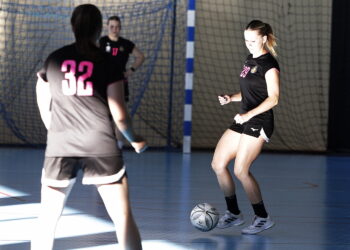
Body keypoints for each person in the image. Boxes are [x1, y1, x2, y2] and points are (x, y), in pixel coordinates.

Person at [32, 4, 146, 250]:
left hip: (61, 145)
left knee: (47, 219)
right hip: (100, 145)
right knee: (123, 219)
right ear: (99, 29)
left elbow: (41, 91)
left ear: (73, 26)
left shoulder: (55, 58)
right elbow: (120, 114)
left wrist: (52, 127)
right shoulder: (108, 62)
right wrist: (134, 139)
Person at [212, 20, 280, 235]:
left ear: (263, 38)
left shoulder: (270, 65)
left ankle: (262, 217)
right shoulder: (249, 59)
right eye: (245, 40)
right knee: (218, 164)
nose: (248, 44)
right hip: (243, 118)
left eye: (252, 40)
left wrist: (247, 115)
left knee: (240, 170)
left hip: (258, 121)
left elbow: (274, 98)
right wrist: (231, 97)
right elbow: (250, 92)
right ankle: (233, 213)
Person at [99, 15, 145, 103]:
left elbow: (141, 57)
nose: (114, 29)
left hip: (119, 80)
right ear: (107, 27)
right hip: (104, 80)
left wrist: (131, 70)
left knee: (120, 109)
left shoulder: (126, 43)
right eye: (112, 27)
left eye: (117, 27)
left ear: (120, 28)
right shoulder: (102, 41)